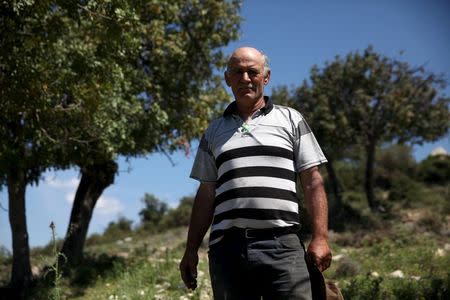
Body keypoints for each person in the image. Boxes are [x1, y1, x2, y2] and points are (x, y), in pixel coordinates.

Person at [179, 47, 332, 300]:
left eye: (253, 72)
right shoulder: (214, 131)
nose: (245, 78)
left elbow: (312, 180)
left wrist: (320, 237)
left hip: (283, 246)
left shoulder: (291, 119)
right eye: (238, 72)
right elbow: (206, 193)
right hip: (227, 251)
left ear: (266, 77)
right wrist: (190, 249)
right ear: (227, 78)